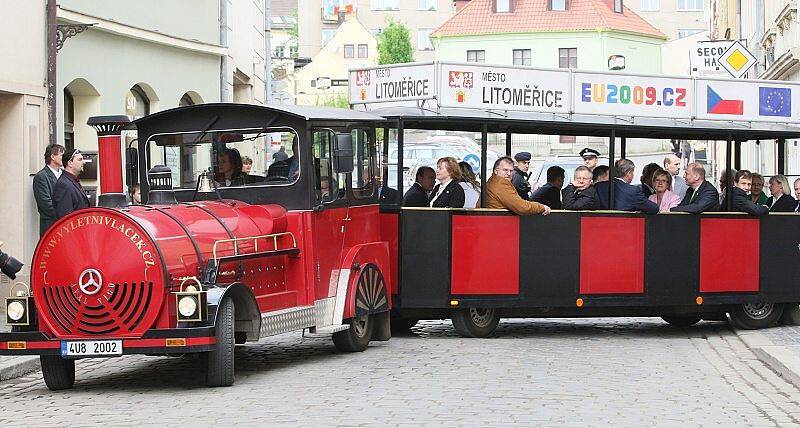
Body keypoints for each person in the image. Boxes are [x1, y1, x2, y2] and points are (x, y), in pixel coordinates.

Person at [486, 157, 550, 215]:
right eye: (505, 170)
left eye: (511, 171)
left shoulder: (492, 181)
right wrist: (542, 207)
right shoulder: (501, 184)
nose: (509, 174)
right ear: (496, 171)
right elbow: (522, 207)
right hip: (500, 222)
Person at [594, 159, 659, 213]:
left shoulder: (599, 186)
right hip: (624, 225)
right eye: (632, 173)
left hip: (602, 224)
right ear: (628, 173)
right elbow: (653, 208)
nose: (633, 175)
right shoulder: (633, 191)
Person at [33, 143, 65, 236]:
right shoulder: (41, 177)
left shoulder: (64, 174)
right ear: (52, 157)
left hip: (65, 225)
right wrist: (65, 213)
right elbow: (46, 204)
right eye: (62, 155)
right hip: (50, 225)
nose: (64, 158)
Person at [53, 149, 90, 220]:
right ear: (70, 163)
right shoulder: (63, 185)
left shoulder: (72, 181)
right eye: (80, 160)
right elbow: (65, 217)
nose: (84, 162)